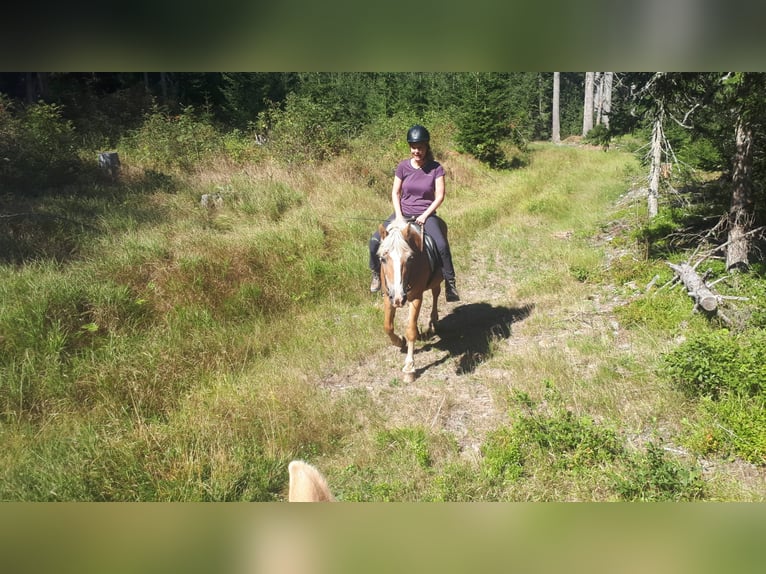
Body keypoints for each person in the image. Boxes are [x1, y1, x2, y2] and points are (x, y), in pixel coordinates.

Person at [368, 124, 460, 302]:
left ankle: (450, 283)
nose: (417, 151)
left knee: (441, 245)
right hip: (402, 214)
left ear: (426, 147)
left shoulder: (436, 168)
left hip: (426, 215)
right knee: (374, 241)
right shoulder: (403, 167)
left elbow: (440, 196)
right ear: (410, 147)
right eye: (413, 147)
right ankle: (376, 276)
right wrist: (399, 215)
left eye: (420, 147)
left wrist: (425, 215)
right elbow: (395, 192)